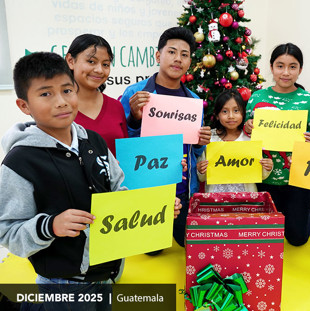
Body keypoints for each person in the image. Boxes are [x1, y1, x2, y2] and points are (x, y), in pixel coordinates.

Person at [0, 52, 182, 311]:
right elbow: (8, 231)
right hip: (62, 282)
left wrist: (157, 208)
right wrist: (50, 225)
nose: (61, 102)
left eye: (66, 90)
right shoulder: (21, 162)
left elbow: (119, 191)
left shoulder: (94, 142)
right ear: (24, 106)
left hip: (107, 273)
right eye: (45, 94)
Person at [120, 26, 210, 249]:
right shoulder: (135, 94)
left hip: (183, 187)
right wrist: (134, 119)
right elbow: (123, 144)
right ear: (158, 55)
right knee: (152, 251)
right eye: (171, 52)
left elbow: (195, 151)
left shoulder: (193, 101)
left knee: (186, 244)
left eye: (184, 54)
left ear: (190, 62)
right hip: (148, 187)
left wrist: (199, 143)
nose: (177, 59)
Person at [243, 43, 310, 246]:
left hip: (298, 178)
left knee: (296, 238)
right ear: (271, 68)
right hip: (265, 176)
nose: (286, 72)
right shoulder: (257, 98)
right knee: (269, 235)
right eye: (280, 66)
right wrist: (248, 127)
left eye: (292, 67)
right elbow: (245, 135)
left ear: (300, 70)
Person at [196, 90, 273, 192]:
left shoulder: (250, 138)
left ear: (243, 113)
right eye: (225, 111)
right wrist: (200, 170)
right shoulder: (210, 138)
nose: (231, 116)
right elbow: (202, 177)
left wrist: (267, 167)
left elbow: (260, 175)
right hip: (216, 201)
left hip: (245, 200)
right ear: (217, 115)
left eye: (236, 111)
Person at [66, 34, 128, 156]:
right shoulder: (59, 107)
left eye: (105, 64)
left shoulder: (116, 106)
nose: (99, 70)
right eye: (91, 61)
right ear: (70, 61)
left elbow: (127, 154)